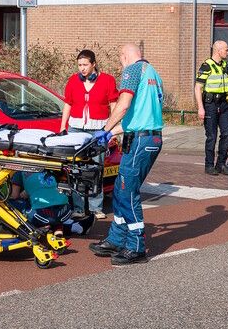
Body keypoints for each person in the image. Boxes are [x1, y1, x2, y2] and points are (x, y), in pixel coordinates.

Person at [88, 44, 164, 265]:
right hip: (147, 137)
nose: (121, 67)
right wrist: (111, 132)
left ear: (124, 56)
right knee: (121, 192)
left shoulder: (132, 71)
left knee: (128, 192)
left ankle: (136, 246)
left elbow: (123, 105)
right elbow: (141, 118)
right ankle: (117, 238)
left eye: (120, 61)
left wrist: (104, 129)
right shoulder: (154, 75)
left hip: (140, 140)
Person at [60, 49, 118, 219]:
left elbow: (113, 104)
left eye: (85, 65)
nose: (82, 69)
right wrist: (63, 127)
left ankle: (95, 208)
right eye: (79, 65)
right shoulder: (73, 80)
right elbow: (68, 104)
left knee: (95, 168)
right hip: (76, 128)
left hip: (98, 130)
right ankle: (78, 208)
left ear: (94, 64)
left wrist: (112, 129)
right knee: (76, 169)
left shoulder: (107, 80)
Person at [194, 40, 228, 176]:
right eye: (226, 50)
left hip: (225, 104)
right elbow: (198, 88)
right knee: (212, 136)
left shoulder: (226, 66)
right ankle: (209, 165)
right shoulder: (206, 66)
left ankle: (221, 164)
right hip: (210, 105)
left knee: (226, 134)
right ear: (218, 51)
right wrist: (200, 108)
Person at [9, 171, 93, 237]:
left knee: (11, 203)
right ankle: (70, 227)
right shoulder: (49, 167)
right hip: (64, 210)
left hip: (41, 214)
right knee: (51, 207)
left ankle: (42, 227)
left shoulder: (19, 172)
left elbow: (14, 195)